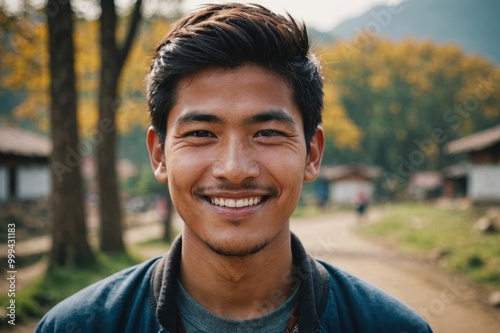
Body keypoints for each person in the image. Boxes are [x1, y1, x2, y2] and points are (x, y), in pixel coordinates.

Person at [36, 3, 433, 332]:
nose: (234, 169)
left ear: (312, 154)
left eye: (267, 133)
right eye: (202, 134)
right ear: (159, 156)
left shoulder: (391, 327)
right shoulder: (76, 326)